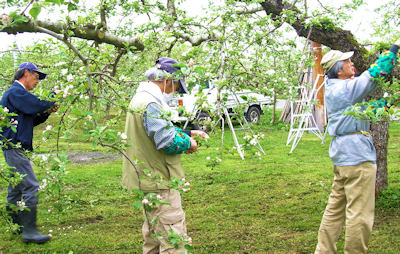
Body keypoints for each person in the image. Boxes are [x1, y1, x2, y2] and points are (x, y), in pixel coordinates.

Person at [315, 41, 400, 254]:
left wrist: (392, 101)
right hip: (358, 158)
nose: (352, 64)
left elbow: (365, 109)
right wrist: (395, 48)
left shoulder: (336, 89)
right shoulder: (345, 89)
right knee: (359, 214)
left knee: (335, 209)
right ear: (339, 70)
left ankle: (323, 251)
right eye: (348, 61)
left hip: (343, 158)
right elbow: (377, 72)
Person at [122, 57, 208, 254]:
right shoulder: (151, 103)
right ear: (168, 79)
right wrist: (188, 143)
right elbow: (166, 141)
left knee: (153, 236)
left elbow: (154, 131)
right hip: (160, 180)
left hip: (147, 179)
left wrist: (189, 133)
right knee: (173, 239)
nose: (175, 90)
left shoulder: (140, 99)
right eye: (176, 84)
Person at [1, 62, 62, 244]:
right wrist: (51, 98)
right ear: (26, 73)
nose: (37, 81)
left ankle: (16, 225)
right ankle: (29, 231)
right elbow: (35, 105)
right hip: (15, 147)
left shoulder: (19, 96)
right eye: (36, 77)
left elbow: (31, 119)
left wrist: (47, 111)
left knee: (16, 186)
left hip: (15, 146)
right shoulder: (15, 92)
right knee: (30, 186)